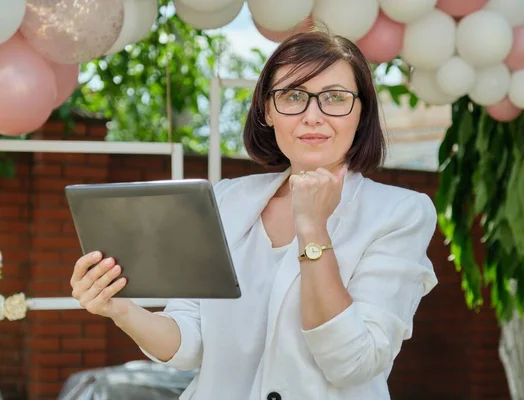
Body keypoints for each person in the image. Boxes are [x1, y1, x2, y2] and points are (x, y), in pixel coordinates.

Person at [69, 30, 438, 400]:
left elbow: (353, 362)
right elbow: (189, 342)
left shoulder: (399, 213)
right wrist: (121, 309)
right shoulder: (226, 199)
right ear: (267, 110)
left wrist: (312, 230)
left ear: (360, 112)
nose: (313, 116)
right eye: (293, 96)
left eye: (335, 98)